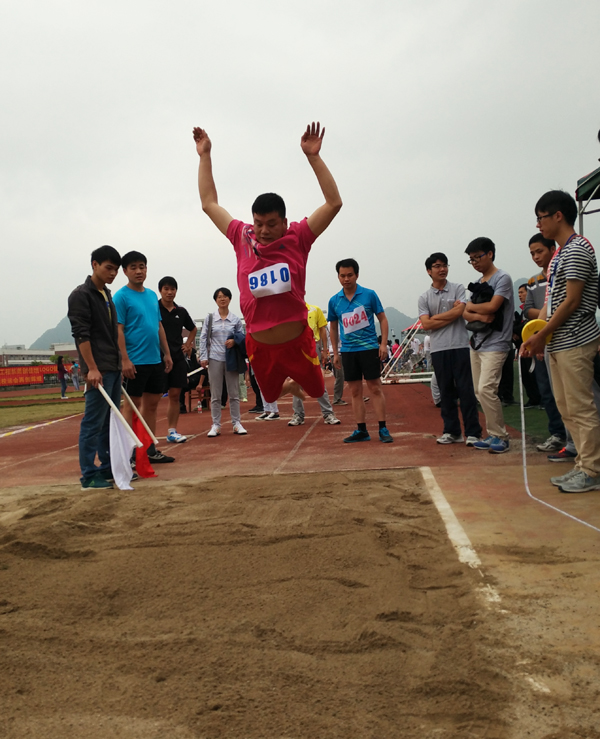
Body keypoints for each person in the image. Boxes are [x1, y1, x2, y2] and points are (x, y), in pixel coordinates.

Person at [193, 122, 342, 404]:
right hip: (260, 345)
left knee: (316, 390)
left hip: (297, 341)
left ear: (284, 222)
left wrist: (313, 157)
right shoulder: (242, 236)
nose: (263, 231)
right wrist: (205, 155)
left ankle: (297, 384)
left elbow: (333, 203)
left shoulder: (298, 237)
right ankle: (289, 387)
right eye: (258, 223)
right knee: (269, 395)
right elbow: (209, 204)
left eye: (271, 224)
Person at [521, 190, 600, 493]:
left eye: (541, 217)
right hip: (559, 342)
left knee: (581, 407)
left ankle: (592, 470)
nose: (538, 224)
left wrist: (542, 334)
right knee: (567, 408)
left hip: (576, 340)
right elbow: (552, 301)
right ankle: (583, 464)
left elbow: (572, 301)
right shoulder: (560, 255)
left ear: (558, 216)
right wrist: (537, 334)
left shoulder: (578, 249)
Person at [67, 245, 124, 489]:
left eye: (116, 270)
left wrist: (119, 362)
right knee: (93, 422)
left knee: (110, 422)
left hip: (113, 366)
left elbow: (112, 333)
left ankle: (108, 468)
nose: (112, 273)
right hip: (98, 369)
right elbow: (81, 334)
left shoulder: (107, 295)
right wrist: (91, 368)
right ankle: (88, 475)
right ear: (94, 265)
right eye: (108, 268)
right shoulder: (81, 295)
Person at [113, 251, 175, 464]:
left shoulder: (150, 296)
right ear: (125, 271)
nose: (139, 271)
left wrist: (166, 353)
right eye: (133, 267)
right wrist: (124, 359)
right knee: (131, 406)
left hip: (154, 360)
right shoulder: (121, 297)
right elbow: (118, 330)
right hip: (134, 362)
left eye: (142, 266)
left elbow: (158, 326)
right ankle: (128, 453)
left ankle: (149, 450)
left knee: (151, 406)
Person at [418, 252, 482, 445]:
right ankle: (452, 432)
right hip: (439, 349)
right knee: (446, 392)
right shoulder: (424, 297)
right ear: (429, 271)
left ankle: (473, 432)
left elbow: (460, 311)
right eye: (437, 266)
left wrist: (435, 318)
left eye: (445, 265)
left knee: (466, 390)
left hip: (460, 345)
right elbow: (426, 325)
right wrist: (452, 313)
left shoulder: (458, 288)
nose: (442, 269)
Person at [328, 259, 393, 443]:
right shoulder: (334, 301)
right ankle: (361, 430)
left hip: (369, 348)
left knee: (375, 387)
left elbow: (383, 319)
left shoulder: (369, 295)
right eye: (342, 276)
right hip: (348, 351)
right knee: (355, 391)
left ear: (357, 275)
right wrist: (335, 353)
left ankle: (383, 428)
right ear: (338, 277)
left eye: (350, 275)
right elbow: (333, 327)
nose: (346, 279)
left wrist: (383, 344)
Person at [463, 237, 514, 454]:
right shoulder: (479, 283)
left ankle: (501, 436)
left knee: (486, 388)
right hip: (477, 343)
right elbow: (465, 313)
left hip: (497, 342)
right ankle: (493, 433)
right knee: (478, 390)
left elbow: (493, 306)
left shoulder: (502, 278)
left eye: (477, 257)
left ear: (490, 254)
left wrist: (472, 308)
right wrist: (480, 315)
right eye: (471, 260)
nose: (474, 262)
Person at [521, 234, 567, 454]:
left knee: (569, 393)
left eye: (539, 251)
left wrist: (549, 316)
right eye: (532, 253)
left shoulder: (562, 272)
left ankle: (576, 440)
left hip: (563, 338)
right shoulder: (534, 281)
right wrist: (543, 322)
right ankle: (558, 434)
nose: (536, 257)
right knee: (547, 390)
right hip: (541, 338)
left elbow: (567, 304)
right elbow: (527, 309)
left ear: (552, 249)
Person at [199, 287, 247, 437]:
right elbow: (203, 338)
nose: (222, 299)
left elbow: (242, 337)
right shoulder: (210, 318)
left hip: (231, 360)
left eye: (225, 296)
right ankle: (216, 425)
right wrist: (203, 356)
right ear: (215, 300)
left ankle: (236, 423)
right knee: (216, 395)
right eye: (219, 296)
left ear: (230, 299)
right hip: (214, 359)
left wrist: (234, 341)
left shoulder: (235, 319)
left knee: (234, 393)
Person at [158, 276, 197, 443]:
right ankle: (145, 433)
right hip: (157, 358)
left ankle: (172, 431)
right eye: (166, 289)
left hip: (177, 358)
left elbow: (193, 328)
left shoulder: (180, 311)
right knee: (152, 397)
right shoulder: (154, 309)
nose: (169, 292)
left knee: (175, 395)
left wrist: (188, 345)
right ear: (160, 290)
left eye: (172, 289)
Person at [288, 302, 340, 426]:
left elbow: (322, 330)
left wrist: (324, 350)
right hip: (296, 348)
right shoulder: (290, 311)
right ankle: (298, 415)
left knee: (318, 379)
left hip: (313, 346)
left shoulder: (315, 310)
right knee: (296, 381)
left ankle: (328, 414)